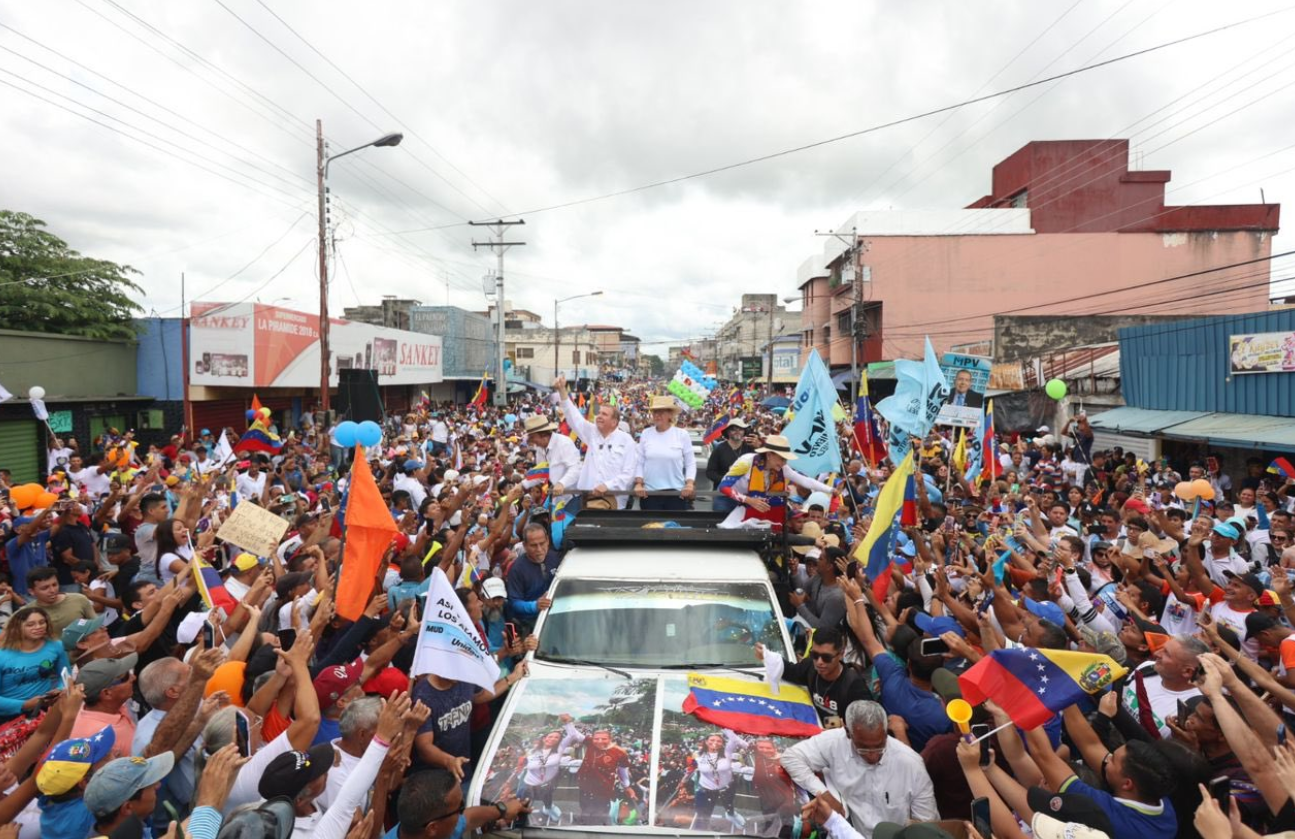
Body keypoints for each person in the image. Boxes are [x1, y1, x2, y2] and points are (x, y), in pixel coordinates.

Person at [779, 700, 938, 838]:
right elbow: (791, 758)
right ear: (848, 732)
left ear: (885, 733)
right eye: (863, 749)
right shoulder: (835, 742)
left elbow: (927, 825)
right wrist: (824, 794)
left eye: (879, 747)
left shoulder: (911, 765)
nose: (873, 756)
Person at [553, 376, 637, 509]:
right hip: (589, 499)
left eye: (604, 414)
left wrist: (607, 486)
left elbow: (629, 473)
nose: (599, 416)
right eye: (599, 413)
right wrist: (562, 390)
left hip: (614, 501)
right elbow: (574, 417)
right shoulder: (592, 433)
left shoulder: (627, 441)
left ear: (614, 422)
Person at [757, 628, 870, 726]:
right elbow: (789, 671)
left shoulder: (855, 686)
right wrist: (767, 656)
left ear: (841, 654)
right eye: (815, 655)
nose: (819, 662)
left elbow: (864, 724)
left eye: (826, 657)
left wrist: (823, 724)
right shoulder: (810, 667)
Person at [716, 435, 833, 530]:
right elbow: (723, 487)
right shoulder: (746, 462)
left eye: (785, 459)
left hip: (752, 504)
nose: (784, 463)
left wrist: (831, 490)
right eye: (782, 458)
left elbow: (805, 480)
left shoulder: (782, 468)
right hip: (728, 500)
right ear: (769, 455)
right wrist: (749, 500)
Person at [0, 604, 69, 719]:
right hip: (9, 716)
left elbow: (66, 675)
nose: (38, 627)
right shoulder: (2, 655)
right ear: (17, 627)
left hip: (46, 710)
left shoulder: (56, 645)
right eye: (30, 624)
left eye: (42, 622)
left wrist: (60, 689)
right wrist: (24, 704)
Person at [633, 395, 696, 512]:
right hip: (649, 493)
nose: (657, 415)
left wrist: (689, 483)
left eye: (661, 412)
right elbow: (640, 462)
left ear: (670, 415)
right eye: (655, 412)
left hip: (676, 492)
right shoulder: (646, 433)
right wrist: (639, 483)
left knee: (673, 528)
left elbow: (690, 462)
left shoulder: (682, 434)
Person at [566, 724, 636, 825]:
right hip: (585, 786)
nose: (599, 741)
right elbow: (574, 735)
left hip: (603, 789)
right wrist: (567, 722)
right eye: (596, 739)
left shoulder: (620, 753)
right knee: (585, 807)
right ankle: (584, 820)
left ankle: (592, 829)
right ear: (592, 739)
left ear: (610, 739)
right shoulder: (590, 743)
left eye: (604, 739)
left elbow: (623, 773)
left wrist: (627, 787)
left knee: (598, 814)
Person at [505, 523, 560, 634]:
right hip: (530, 625)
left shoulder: (557, 558)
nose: (539, 549)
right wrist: (535, 606)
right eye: (534, 545)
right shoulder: (516, 570)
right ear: (525, 545)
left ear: (548, 540)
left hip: (556, 616)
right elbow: (514, 602)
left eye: (542, 543)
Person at [521, 415, 581, 503]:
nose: (532, 441)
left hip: (573, 495)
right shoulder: (540, 448)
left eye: (533, 437)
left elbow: (576, 469)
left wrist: (562, 483)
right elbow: (542, 473)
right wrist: (522, 485)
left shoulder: (564, 443)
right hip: (557, 497)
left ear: (543, 434)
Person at [705, 419, 756, 514]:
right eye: (733, 429)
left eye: (740, 429)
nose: (737, 432)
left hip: (746, 495)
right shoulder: (719, 449)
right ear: (728, 432)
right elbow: (710, 472)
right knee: (721, 523)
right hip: (723, 496)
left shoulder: (750, 448)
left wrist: (760, 445)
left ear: (744, 431)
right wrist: (727, 479)